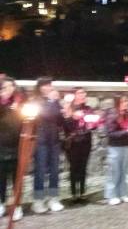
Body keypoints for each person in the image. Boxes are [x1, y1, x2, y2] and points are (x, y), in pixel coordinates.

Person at [32, 78, 65, 214]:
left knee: (55, 170)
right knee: (40, 171)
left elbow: (60, 119)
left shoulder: (55, 101)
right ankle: (38, 201)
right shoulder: (35, 101)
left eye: (49, 85)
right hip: (40, 140)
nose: (48, 87)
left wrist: (64, 109)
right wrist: (52, 101)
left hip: (54, 140)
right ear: (39, 87)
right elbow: (44, 114)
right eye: (45, 85)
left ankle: (53, 198)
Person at [63, 87, 96, 202]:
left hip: (86, 141)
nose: (83, 95)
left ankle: (82, 192)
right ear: (74, 96)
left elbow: (93, 126)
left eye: (84, 93)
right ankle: (73, 194)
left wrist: (93, 122)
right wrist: (72, 117)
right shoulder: (69, 108)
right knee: (74, 167)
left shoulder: (88, 109)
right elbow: (65, 127)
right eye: (80, 93)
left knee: (83, 167)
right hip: (73, 142)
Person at [104, 95, 128, 205]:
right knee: (114, 172)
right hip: (115, 147)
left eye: (126, 100)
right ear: (117, 103)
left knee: (124, 171)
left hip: (126, 145)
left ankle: (123, 193)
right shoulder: (112, 114)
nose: (126, 103)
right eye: (123, 101)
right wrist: (126, 132)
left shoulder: (127, 114)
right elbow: (110, 133)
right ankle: (111, 195)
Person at [0, 78, 23, 220]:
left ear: (14, 87)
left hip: (17, 147)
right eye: (5, 87)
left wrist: (19, 109)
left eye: (10, 86)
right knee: (1, 178)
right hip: (1, 147)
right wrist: (3, 100)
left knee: (17, 179)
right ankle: (1, 204)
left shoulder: (21, 101)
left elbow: (31, 119)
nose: (8, 89)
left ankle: (17, 206)